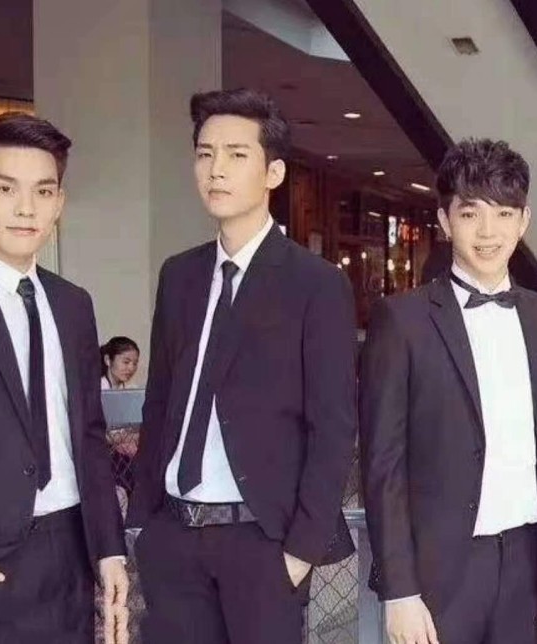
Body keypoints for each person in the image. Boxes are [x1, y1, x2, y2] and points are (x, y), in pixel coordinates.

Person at [125, 88, 358, 644]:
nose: (216, 169)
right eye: (205, 154)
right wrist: (142, 523)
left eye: (236, 154)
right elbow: (160, 403)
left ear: (273, 172)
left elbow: (333, 426)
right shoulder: (179, 275)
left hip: (261, 542)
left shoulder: (316, 283)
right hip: (173, 536)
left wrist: (300, 551)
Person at [360, 138, 537, 644]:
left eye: (504, 214)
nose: (488, 232)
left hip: (527, 560)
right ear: (444, 219)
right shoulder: (402, 319)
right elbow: (383, 463)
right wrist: (399, 589)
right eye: (470, 213)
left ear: (523, 221)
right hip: (438, 570)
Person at [0, 112, 129, 643]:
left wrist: (109, 549)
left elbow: (89, 435)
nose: (26, 208)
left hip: (71, 553)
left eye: (43, 191)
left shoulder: (72, 304)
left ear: (59, 203)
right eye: (5, 188)